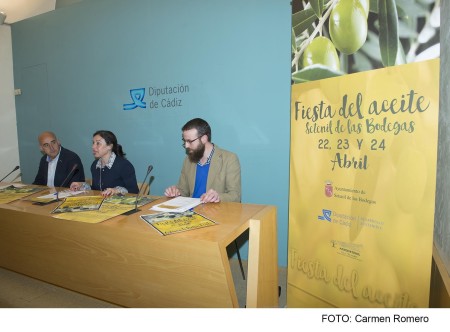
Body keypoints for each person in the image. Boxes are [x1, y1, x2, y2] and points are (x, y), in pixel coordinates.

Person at [165, 118, 241, 203]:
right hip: (190, 212)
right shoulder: (188, 159)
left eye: (190, 141)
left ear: (204, 139)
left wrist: (218, 197)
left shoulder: (229, 159)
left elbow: (235, 196)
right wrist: (176, 192)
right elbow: (184, 190)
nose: (186, 146)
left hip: (214, 213)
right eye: (185, 141)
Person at [70, 130, 139, 196]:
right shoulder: (95, 165)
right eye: (93, 143)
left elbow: (134, 192)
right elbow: (96, 190)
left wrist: (116, 190)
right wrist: (82, 185)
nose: (93, 147)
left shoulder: (124, 165)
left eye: (98, 143)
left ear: (109, 146)